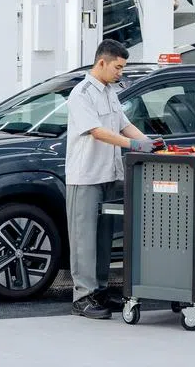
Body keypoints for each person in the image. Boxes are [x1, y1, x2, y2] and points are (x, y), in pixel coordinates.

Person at [65, 39, 156, 320]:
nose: (120, 73)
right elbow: (97, 132)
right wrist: (134, 147)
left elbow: (123, 124)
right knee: (84, 240)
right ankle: (82, 297)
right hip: (86, 176)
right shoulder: (81, 94)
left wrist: (150, 143)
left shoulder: (109, 92)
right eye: (118, 67)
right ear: (102, 62)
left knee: (103, 238)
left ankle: (100, 291)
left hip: (108, 174)